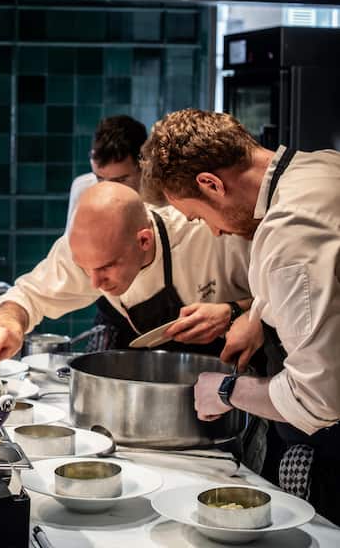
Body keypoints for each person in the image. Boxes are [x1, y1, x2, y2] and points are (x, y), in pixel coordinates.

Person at [140, 107, 340, 523]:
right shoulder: (320, 166)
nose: (212, 231)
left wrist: (226, 391)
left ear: (211, 184)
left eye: (199, 216)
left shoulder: (288, 235)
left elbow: (318, 400)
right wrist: (257, 313)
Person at [0, 181, 253, 366]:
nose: (95, 282)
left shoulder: (212, 236)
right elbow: (25, 296)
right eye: (86, 269)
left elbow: (289, 300)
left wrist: (236, 312)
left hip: (233, 379)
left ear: (143, 241)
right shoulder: (84, 246)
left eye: (106, 266)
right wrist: (9, 326)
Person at [65, 115, 148, 230]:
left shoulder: (165, 197)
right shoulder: (83, 188)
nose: (107, 191)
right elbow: (70, 244)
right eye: (99, 178)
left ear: (144, 167)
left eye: (120, 180)